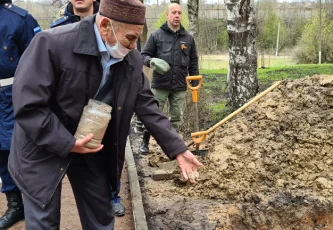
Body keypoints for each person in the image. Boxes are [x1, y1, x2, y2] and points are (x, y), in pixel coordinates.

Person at [9, 0, 202, 228]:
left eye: (137, 38)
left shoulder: (130, 59)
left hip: (89, 143)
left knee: (100, 216)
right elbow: (28, 104)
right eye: (129, 38)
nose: (133, 46)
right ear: (104, 26)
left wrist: (178, 149)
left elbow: (148, 106)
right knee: (44, 222)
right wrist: (67, 141)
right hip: (42, 142)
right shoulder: (52, 44)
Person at [49, 0, 125, 218]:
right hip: (64, 122)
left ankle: (113, 196)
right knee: (49, 189)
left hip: (101, 117)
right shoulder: (57, 32)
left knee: (106, 159)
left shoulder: (115, 26)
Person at [0, 1, 40, 229]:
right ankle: (15, 206)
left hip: (15, 97)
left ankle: (36, 205)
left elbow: (40, 62)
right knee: (1, 156)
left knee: (24, 151)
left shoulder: (21, 19)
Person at [139, 3, 199, 154]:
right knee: (153, 113)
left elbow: (193, 62)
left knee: (177, 117)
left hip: (180, 84)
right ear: (167, 15)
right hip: (160, 84)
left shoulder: (188, 38)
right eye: (173, 12)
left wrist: (195, 80)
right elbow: (143, 55)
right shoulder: (156, 35)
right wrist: (150, 62)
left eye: (179, 13)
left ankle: (172, 145)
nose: (177, 15)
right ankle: (145, 142)